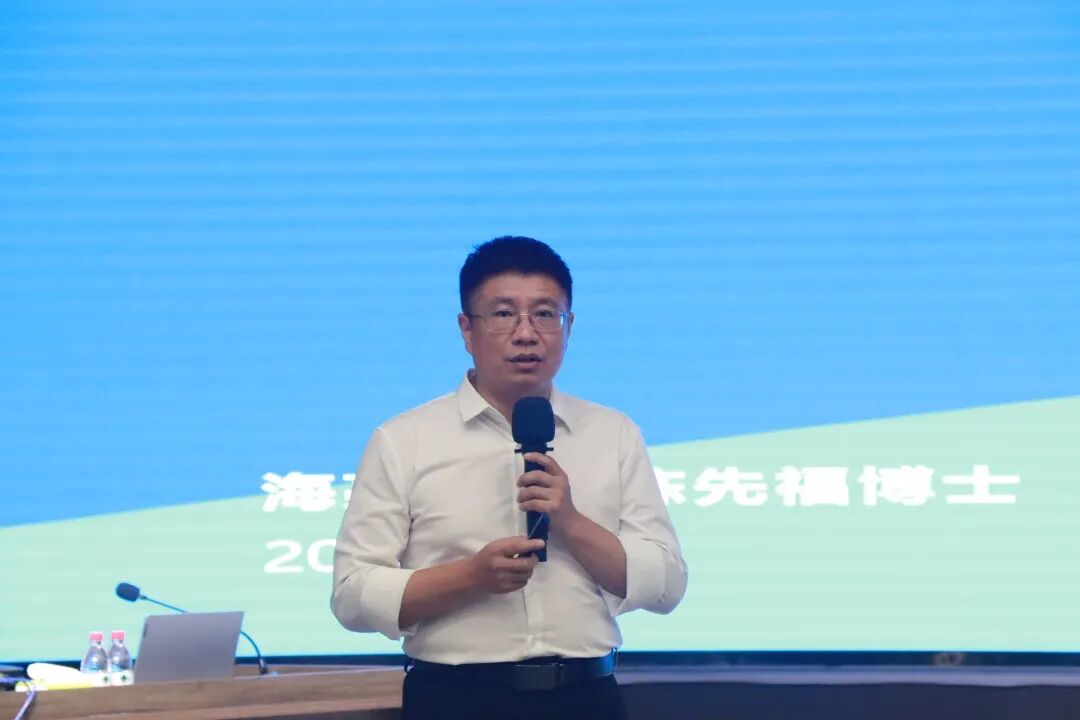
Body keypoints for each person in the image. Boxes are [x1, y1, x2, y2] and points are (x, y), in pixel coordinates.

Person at [332, 236, 687, 720]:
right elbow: (352, 596)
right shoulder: (404, 440)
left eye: (545, 314)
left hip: (586, 697)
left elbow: (666, 585)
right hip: (455, 699)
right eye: (503, 314)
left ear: (569, 326)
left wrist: (571, 521)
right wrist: (471, 577)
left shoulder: (613, 433)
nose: (526, 334)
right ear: (466, 329)